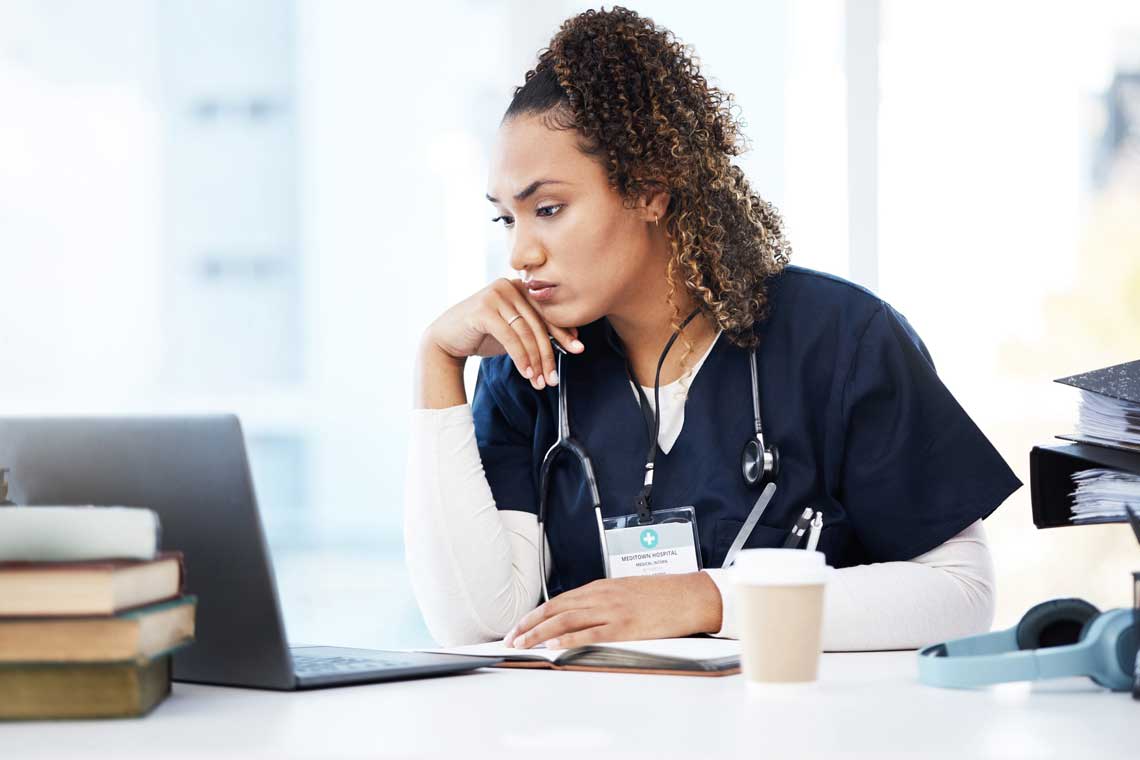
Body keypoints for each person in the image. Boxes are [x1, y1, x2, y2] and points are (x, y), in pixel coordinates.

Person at [405, 6, 1021, 651]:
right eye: (507, 219)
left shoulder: (840, 338)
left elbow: (960, 595)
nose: (520, 254)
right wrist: (437, 362)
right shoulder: (527, 366)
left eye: (549, 209)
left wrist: (708, 600)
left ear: (650, 189)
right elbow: (476, 625)